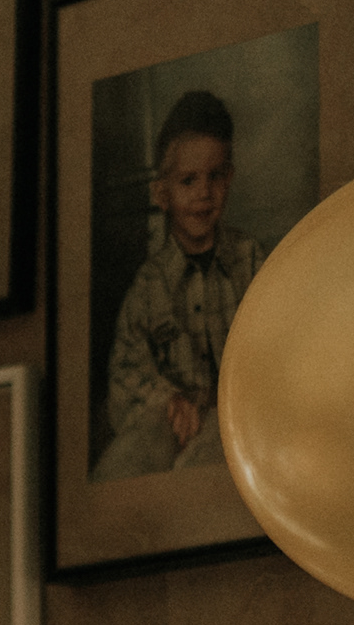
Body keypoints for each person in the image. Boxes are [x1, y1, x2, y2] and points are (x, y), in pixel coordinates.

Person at [94, 89, 266, 481]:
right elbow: (125, 371)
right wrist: (168, 399)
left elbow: (278, 345)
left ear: (230, 178)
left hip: (239, 420)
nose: (204, 192)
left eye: (215, 176)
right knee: (127, 465)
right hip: (171, 422)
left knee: (209, 465)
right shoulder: (148, 286)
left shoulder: (251, 260)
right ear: (162, 193)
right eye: (188, 180)